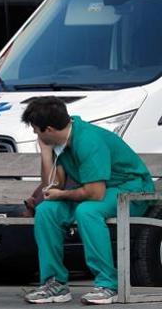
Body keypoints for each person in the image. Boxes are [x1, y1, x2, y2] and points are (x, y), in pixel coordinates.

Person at [21, 96, 154, 305]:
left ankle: (108, 285)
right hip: (98, 191)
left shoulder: (88, 140)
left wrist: (62, 195)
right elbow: (52, 187)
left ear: (48, 129)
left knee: (88, 211)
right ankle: (54, 283)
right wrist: (46, 154)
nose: (34, 133)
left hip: (131, 191)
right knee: (47, 210)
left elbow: (95, 193)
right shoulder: (59, 140)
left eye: (36, 129)